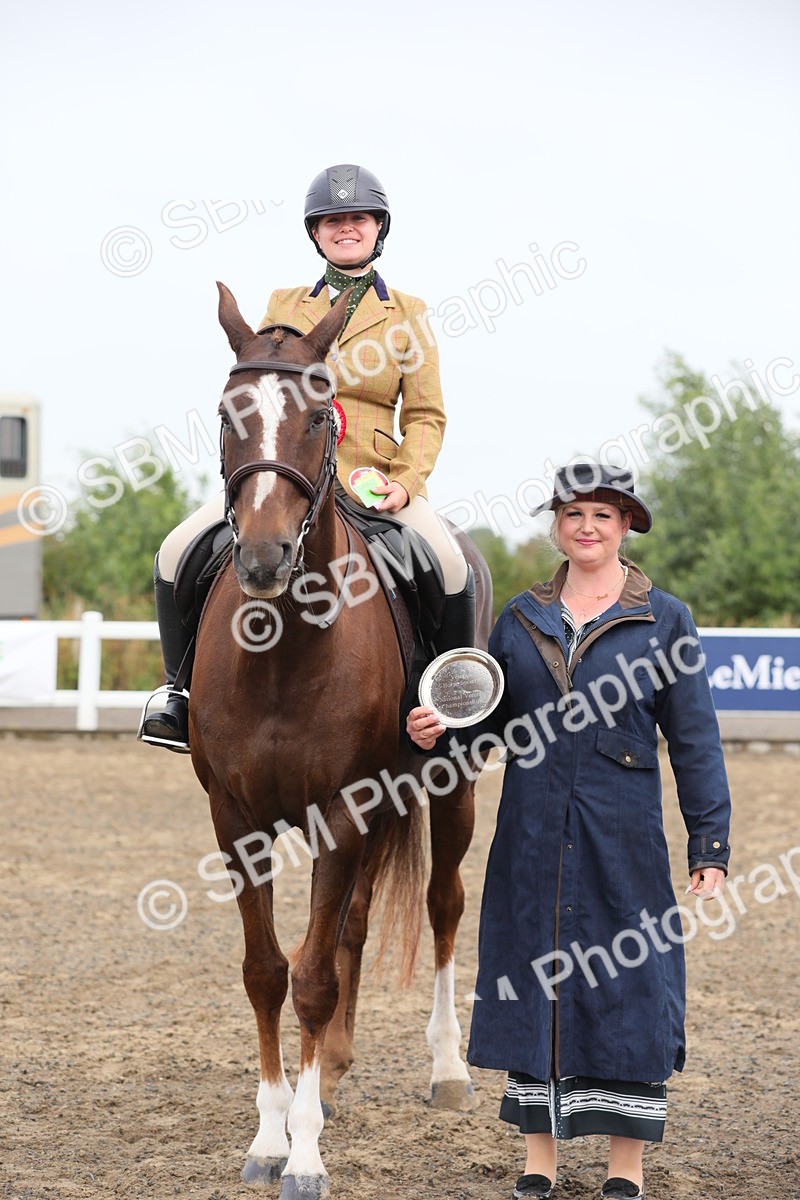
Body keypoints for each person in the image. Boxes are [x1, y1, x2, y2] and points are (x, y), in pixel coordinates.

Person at [407, 463, 731, 1200]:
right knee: (534, 982)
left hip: (625, 837)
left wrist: (709, 846)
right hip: (530, 832)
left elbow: (695, 742)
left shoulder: (664, 619)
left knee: (630, 985)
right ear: (558, 523)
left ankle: (626, 1169)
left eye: (604, 516)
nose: (588, 527)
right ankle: (538, 1162)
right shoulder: (520, 617)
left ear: (626, 527)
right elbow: (483, 722)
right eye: (575, 513)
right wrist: (438, 729)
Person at [141, 163, 473, 751]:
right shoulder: (284, 302)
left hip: (371, 477)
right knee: (174, 552)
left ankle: (450, 708)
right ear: (316, 233)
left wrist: (405, 481)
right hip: (282, 473)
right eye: (332, 220)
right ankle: (179, 695)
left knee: (450, 564)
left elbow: (425, 415)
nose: (346, 228)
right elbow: (261, 386)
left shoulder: (409, 315)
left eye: (358, 219)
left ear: (378, 228)